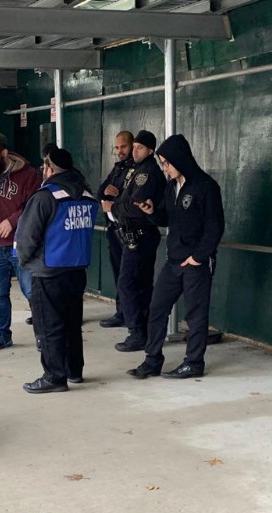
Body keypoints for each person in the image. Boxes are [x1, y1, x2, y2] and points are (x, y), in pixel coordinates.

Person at [127, 134, 225, 380]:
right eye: (162, 163)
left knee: (195, 314)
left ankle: (193, 362)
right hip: (173, 260)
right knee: (157, 307)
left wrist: (198, 257)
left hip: (195, 262)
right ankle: (152, 360)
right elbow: (167, 218)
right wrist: (151, 212)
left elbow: (215, 227)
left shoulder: (206, 186)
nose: (164, 168)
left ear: (179, 159)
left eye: (166, 163)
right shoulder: (171, 187)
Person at [15, 148, 98, 393]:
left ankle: (54, 376)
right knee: (72, 324)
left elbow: (27, 237)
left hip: (48, 272)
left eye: (44, 166)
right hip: (77, 270)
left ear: (50, 168)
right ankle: (74, 370)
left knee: (49, 326)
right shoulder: (87, 195)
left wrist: (25, 262)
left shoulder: (45, 196)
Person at [0, 132, 41, 351]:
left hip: (21, 245)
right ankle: (2, 335)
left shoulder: (29, 175)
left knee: (32, 291)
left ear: (4, 153)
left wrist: (12, 221)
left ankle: (43, 335)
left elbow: (35, 206)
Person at [110, 130, 166, 352]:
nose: (134, 151)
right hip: (135, 234)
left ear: (150, 150)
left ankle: (137, 332)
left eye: (139, 148)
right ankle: (144, 329)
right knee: (140, 284)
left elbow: (135, 206)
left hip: (140, 235)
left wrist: (113, 207)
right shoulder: (136, 170)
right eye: (133, 147)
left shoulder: (147, 173)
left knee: (129, 283)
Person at [98, 130, 135, 328]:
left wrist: (115, 198)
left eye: (124, 147)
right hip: (114, 229)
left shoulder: (138, 169)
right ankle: (121, 312)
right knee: (118, 273)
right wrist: (105, 191)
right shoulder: (117, 168)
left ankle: (132, 317)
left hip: (130, 230)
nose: (120, 151)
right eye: (117, 147)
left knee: (129, 277)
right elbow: (100, 192)